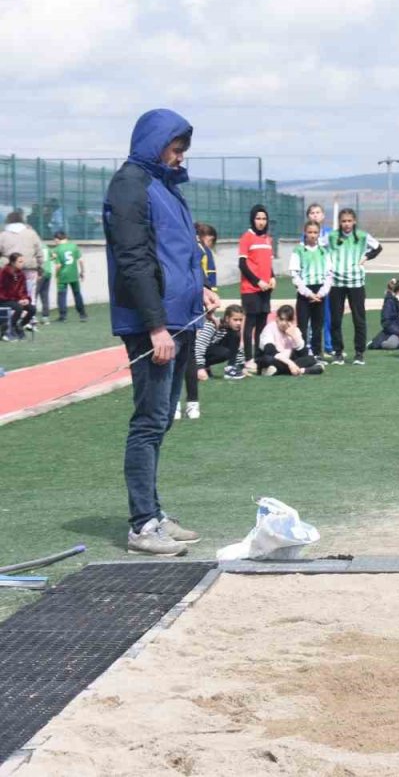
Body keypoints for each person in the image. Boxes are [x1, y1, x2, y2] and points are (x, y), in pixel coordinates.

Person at [103, 108, 220, 556]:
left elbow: (177, 254)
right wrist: (154, 326)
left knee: (161, 421)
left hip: (180, 316)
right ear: (156, 143)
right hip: (154, 325)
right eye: (175, 148)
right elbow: (134, 261)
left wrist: (202, 293)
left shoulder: (164, 187)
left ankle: (153, 511)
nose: (180, 157)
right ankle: (142, 525)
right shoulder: (131, 185)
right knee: (149, 422)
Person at [326, 207, 381, 365]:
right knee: (336, 319)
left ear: (354, 221)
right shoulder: (332, 236)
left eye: (349, 221)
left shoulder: (362, 236)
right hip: (336, 283)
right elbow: (320, 248)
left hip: (356, 283)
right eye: (344, 221)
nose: (347, 224)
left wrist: (366, 257)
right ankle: (338, 353)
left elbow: (378, 247)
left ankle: (359, 353)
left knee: (359, 319)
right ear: (339, 222)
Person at [177, 223, 218, 421]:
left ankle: (191, 404)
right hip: (171, 306)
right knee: (176, 356)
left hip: (189, 306)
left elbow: (201, 277)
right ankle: (178, 404)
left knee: (187, 354)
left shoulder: (197, 249)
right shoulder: (172, 248)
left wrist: (207, 301)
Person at [238, 204, 274, 369]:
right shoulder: (247, 237)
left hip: (266, 289)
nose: (261, 222)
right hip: (251, 289)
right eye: (258, 218)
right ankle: (248, 359)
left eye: (264, 219)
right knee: (250, 323)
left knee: (262, 323)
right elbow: (242, 264)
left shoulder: (268, 238)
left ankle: (259, 358)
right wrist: (257, 281)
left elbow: (268, 262)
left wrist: (272, 277)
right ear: (253, 219)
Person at [290, 219, 333, 357]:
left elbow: (329, 274)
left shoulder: (323, 251)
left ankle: (317, 354)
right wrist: (308, 293)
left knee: (317, 326)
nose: (313, 235)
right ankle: (301, 354)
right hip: (305, 293)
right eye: (310, 232)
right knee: (302, 326)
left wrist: (321, 293)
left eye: (315, 232)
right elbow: (295, 275)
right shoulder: (298, 250)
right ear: (305, 233)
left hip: (319, 292)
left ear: (319, 233)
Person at [256, 304, 324, 375]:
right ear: (276, 318)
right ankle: (304, 370)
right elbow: (270, 351)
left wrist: (294, 336)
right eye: (281, 319)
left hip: (286, 360)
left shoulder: (295, 330)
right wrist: (291, 364)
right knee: (268, 359)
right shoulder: (269, 328)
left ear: (292, 321)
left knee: (311, 359)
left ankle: (278, 371)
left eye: (287, 320)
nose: (283, 323)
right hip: (273, 358)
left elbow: (304, 354)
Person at [304, 202, 335, 354]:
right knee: (312, 315)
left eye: (318, 212)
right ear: (308, 217)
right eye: (312, 213)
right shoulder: (305, 236)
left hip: (327, 279)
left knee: (329, 314)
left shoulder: (331, 233)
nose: (315, 215)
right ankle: (310, 346)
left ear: (323, 216)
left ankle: (329, 346)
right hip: (311, 280)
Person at [0, 209, 45, 303]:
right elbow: (39, 252)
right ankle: (30, 315)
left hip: (10, 270)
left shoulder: (3, 235)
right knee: (30, 294)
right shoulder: (31, 233)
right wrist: (40, 267)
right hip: (29, 268)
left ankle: (14, 315)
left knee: (11, 293)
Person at [193, 304, 247, 382]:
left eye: (240, 320)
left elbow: (237, 348)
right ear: (227, 318)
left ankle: (231, 369)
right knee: (224, 352)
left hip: (209, 352)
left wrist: (242, 367)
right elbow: (199, 346)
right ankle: (201, 368)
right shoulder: (212, 325)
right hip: (194, 356)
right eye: (235, 320)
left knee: (235, 337)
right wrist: (199, 367)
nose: (238, 323)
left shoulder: (234, 331)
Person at [50, 230, 87, 322]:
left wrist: (56, 275)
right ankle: (82, 314)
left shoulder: (56, 250)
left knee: (62, 295)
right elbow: (81, 260)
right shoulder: (73, 246)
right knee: (77, 294)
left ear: (57, 239)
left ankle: (63, 316)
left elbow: (58, 265)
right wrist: (82, 271)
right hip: (74, 274)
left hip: (63, 275)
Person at [0, 253, 36, 340]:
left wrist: (25, 299)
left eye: (22, 261)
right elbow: (2, 291)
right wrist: (16, 300)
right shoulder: (4, 273)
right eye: (20, 262)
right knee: (18, 308)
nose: (22, 264)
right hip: (4, 300)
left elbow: (23, 290)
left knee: (32, 309)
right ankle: (9, 329)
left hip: (15, 300)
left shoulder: (21, 274)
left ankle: (19, 326)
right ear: (12, 263)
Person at [369, 277, 399, 350]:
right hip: (395, 333)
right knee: (391, 344)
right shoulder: (390, 301)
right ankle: (376, 342)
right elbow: (387, 322)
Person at [35, 238, 52, 324]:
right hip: (48, 272)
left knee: (34, 295)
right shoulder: (46, 246)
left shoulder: (35, 246)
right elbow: (53, 256)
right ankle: (45, 317)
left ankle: (32, 316)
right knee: (45, 296)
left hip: (40, 272)